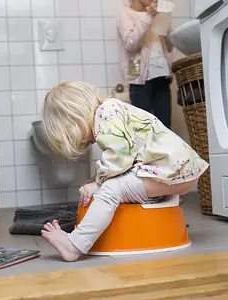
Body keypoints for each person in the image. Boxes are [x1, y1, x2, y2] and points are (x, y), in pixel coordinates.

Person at [40, 81, 209, 262]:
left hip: (169, 170)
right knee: (117, 185)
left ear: (75, 118)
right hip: (181, 170)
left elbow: (120, 157)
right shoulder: (112, 111)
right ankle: (149, 202)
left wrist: (99, 183)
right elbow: (125, 161)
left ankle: (74, 245)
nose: (87, 142)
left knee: (111, 190)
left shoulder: (105, 113)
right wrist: (96, 180)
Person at [117, 0, 174, 129]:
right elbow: (130, 44)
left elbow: (169, 47)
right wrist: (148, 16)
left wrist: (165, 23)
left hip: (162, 76)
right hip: (137, 77)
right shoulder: (125, 13)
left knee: (165, 128)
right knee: (143, 129)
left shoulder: (157, 14)